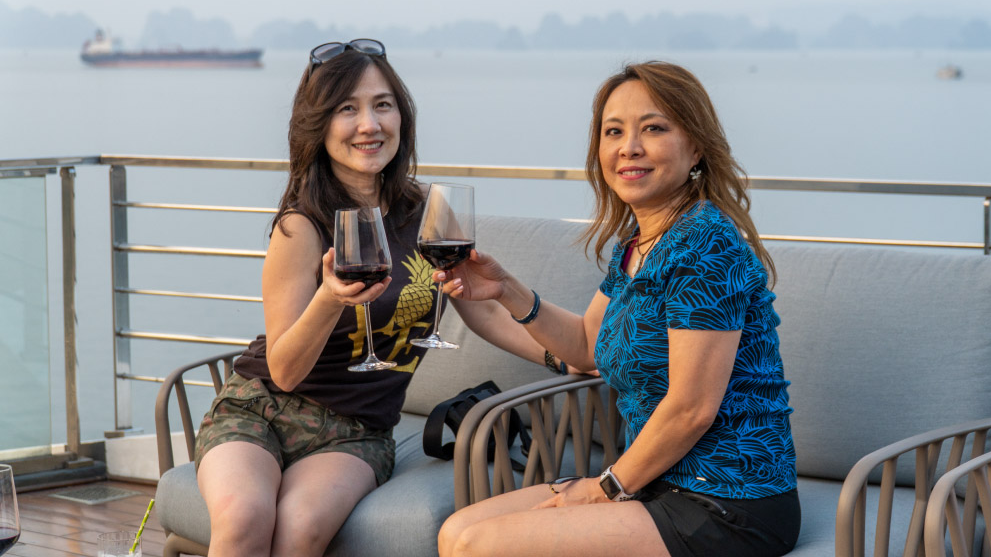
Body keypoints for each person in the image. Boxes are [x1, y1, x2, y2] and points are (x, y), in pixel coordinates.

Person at [193, 39, 553, 557]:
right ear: (319, 126)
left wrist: (561, 356)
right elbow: (285, 370)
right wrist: (329, 299)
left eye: (382, 105)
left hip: (356, 431)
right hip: (261, 410)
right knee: (246, 518)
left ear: (401, 116)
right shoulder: (301, 226)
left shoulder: (428, 210)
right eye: (347, 109)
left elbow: (485, 312)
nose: (370, 124)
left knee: (299, 529)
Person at [437, 62, 799, 557]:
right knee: (456, 533)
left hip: (728, 499)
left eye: (653, 128)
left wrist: (602, 489)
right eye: (614, 132)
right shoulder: (640, 243)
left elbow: (692, 408)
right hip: (655, 481)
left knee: (480, 545)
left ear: (695, 146)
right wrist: (504, 289)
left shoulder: (707, 245)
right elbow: (586, 346)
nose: (628, 146)